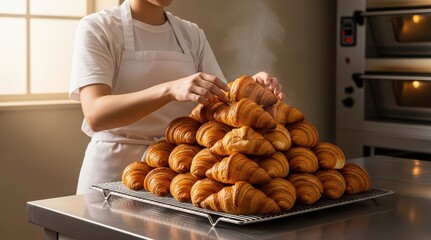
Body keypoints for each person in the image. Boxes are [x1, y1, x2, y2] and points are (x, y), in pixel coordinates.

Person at [69, 0, 285, 194]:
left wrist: (250, 91)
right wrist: (169, 90)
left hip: (175, 171)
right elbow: (95, 114)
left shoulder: (191, 33)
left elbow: (220, 102)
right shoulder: (98, 27)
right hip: (111, 172)